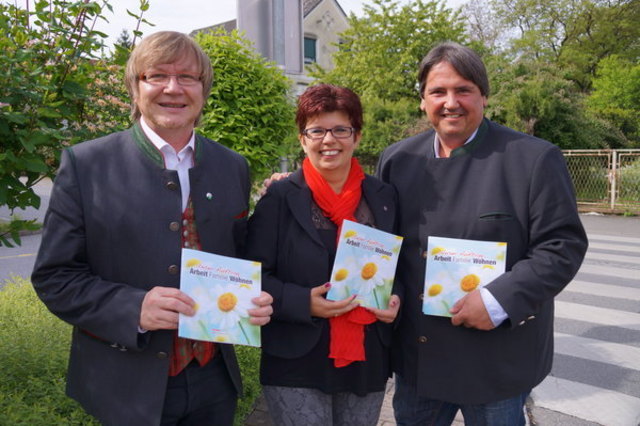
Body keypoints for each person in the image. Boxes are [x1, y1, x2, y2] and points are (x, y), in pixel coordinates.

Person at [31, 31, 273, 426]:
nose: (173, 88)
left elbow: (239, 258)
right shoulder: (86, 165)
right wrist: (134, 308)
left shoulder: (233, 166)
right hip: (125, 385)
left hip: (214, 380)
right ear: (134, 87)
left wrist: (255, 298)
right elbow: (54, 277)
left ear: (203, 89)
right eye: (156, 76)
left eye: (188, 77)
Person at [376, 42, 588, 425]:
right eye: (438, 92)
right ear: (423, 100)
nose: (450, 102)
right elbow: (383, 243)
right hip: (420, 359)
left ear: (484, 96)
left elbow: (561, 247)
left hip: (497, 358)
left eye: (463, 90)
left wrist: (497, 301)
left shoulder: (533, 158)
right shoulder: (397, 160)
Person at [246, 84, 400, 426]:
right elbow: (253, 274)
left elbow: (398, 268)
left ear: (357, 136)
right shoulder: (280, 198)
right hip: (296, 358)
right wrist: (303, 302)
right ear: (303, 139)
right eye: (316, 130)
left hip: (366, 356)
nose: (328, 140)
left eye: (340, 129)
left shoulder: (383, 196)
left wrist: (396, 299)